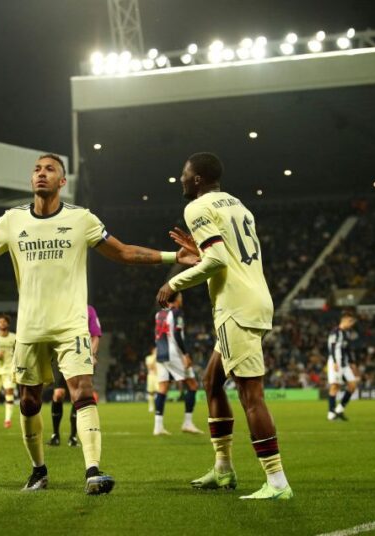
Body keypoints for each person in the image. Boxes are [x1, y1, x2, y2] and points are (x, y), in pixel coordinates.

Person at [0, 153, 192, 495]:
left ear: (62, 182)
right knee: (29, 401)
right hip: (30, 326)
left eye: (50, 170)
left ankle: (93, 470)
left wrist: (172, 257)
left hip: (71, 323)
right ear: (31, 181)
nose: (41, 174)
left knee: (83, 390)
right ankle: (38, 471)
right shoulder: (12, 220)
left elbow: (120, 252)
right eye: (37, 170)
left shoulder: (82, 219)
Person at [156, 152, 293, 500]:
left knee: (251, 396)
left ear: (198, 179)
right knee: (211, 381)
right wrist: (199, 254)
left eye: (185, 174)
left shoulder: (197, 208)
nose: (181, 179)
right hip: (254, 298)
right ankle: (223, 469)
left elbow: (217, 261)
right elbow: (225, 255)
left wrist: (175, 283)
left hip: (236, 307)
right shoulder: (238, 206)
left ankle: (277, 482)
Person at [49, 304, 102, 447]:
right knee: (58, 394)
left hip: (81, 358)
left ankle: (73, 437)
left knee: (77, 396)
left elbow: (95, 335)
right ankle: (55, 435)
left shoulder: (89, 310)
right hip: (62, 356)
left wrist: (92, 354)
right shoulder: (59, 308)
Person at [152, 292, 203, 436]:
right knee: (192, 385)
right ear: (176, 299)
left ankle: (158, 426)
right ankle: (187, 423)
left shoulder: (159, 314)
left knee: (163, 388)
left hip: (161, 353)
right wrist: (186, 355)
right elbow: (176, 334)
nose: (182, 299)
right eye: (180, 296)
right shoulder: (177, 312)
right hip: (174, 354)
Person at [327, 310, 358, 421]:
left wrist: (353, 363)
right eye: (350, 322)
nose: (351, 324)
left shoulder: (346, 333)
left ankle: (339, 409)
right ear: (344, 320)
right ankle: (331, 413)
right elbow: (332, 347)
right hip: (336, 362)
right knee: (335, 386)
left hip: (345, 364)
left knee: (353, 385)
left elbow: (348, 349)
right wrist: (335, 361)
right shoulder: (335, 332)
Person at [144, 346, 157, 413]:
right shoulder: (148, 358)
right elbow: (150, 367)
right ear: (152, 351)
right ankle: (151, 406)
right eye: (155, 350)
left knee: (160, 392)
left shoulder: (160, 358)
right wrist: (155, 358)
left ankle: (158, 406)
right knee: (151, 392)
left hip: (158, 376)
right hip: (151, 376)